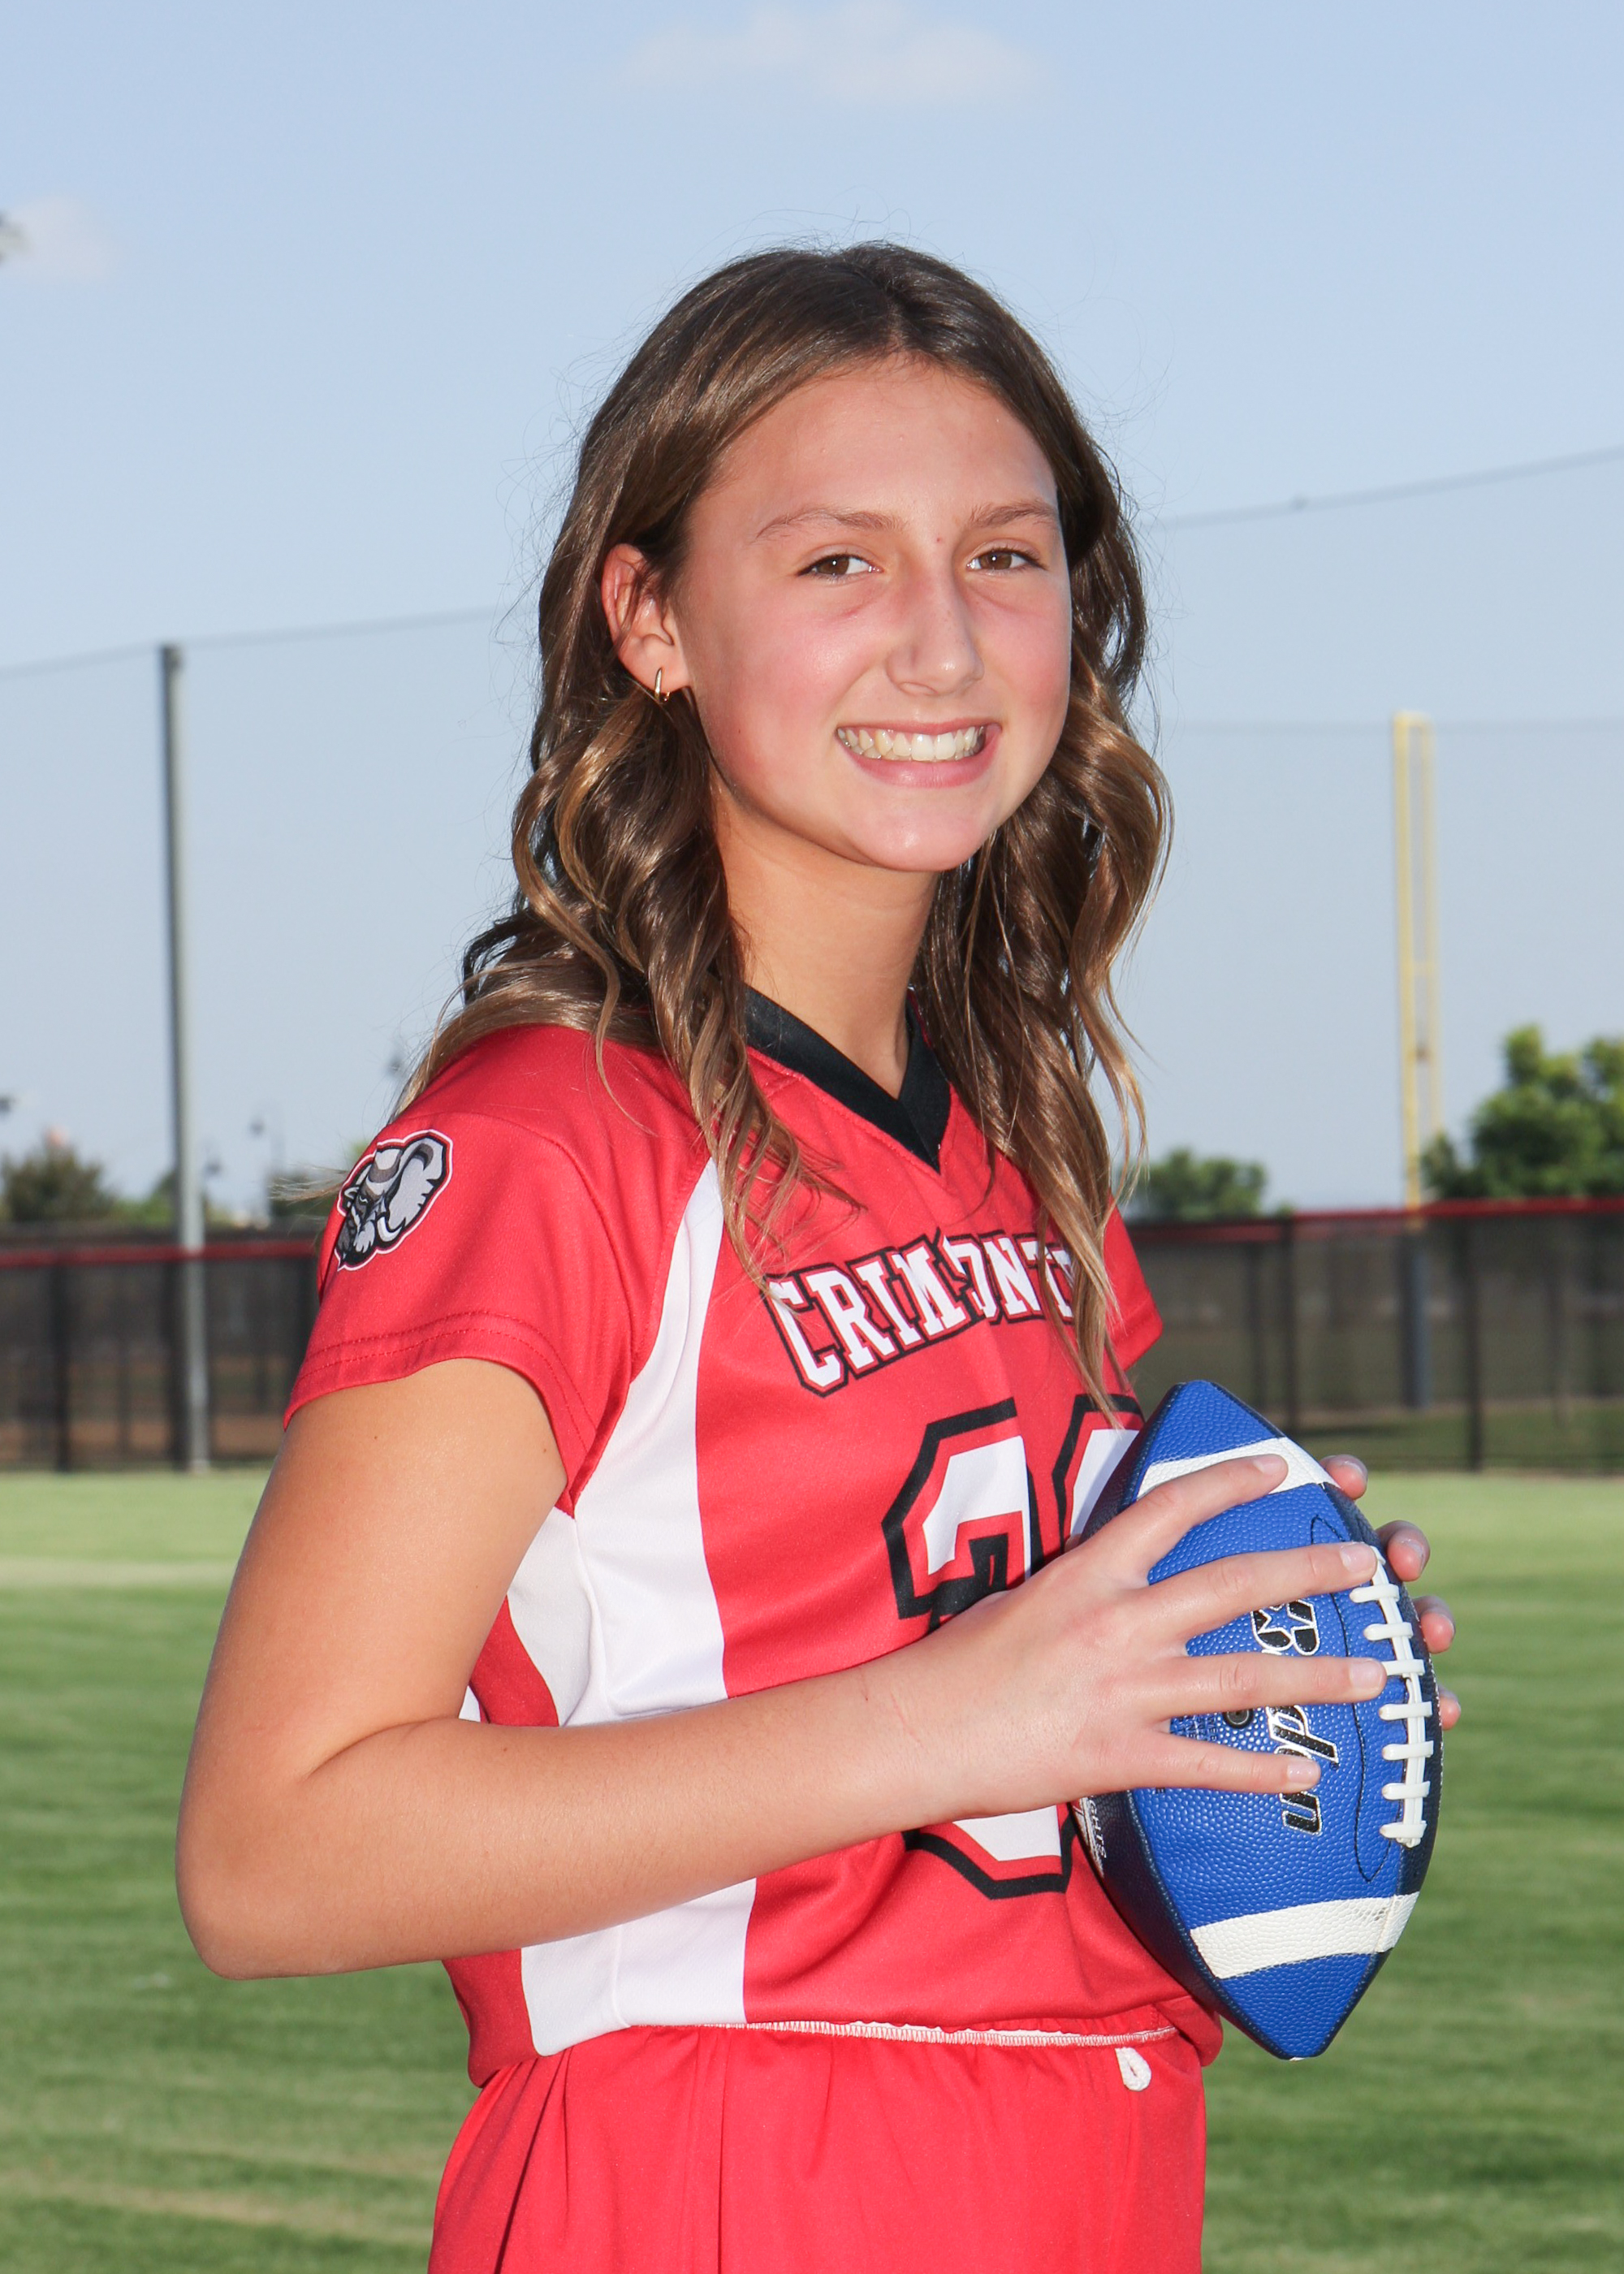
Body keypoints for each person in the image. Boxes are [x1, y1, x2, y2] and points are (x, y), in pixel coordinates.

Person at [177, 244, 1458, 2274]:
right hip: (721, 2173)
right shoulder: (546, 1138)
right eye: (838, 562)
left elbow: (1007, 1718)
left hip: (1086, 2160)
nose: (940, 642)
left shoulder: (1022, 1127)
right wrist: (957, 1716)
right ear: (650, 617)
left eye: (1004, 556)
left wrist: (1230, 1676)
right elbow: (273, 1848)